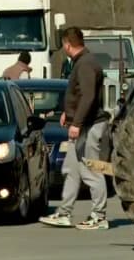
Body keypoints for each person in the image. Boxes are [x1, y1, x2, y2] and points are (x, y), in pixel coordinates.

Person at [39, 27, 111, 230]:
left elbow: (88, 97)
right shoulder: (82, 62)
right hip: (81, 123)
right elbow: (79, 95)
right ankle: (64, 213)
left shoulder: (86, 64)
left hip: (89, 126)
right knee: (71, 169)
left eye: (64, 45)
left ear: (67, 44)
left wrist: (76, 123)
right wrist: (67, 114)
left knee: (91, 169)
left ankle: (99, 216)